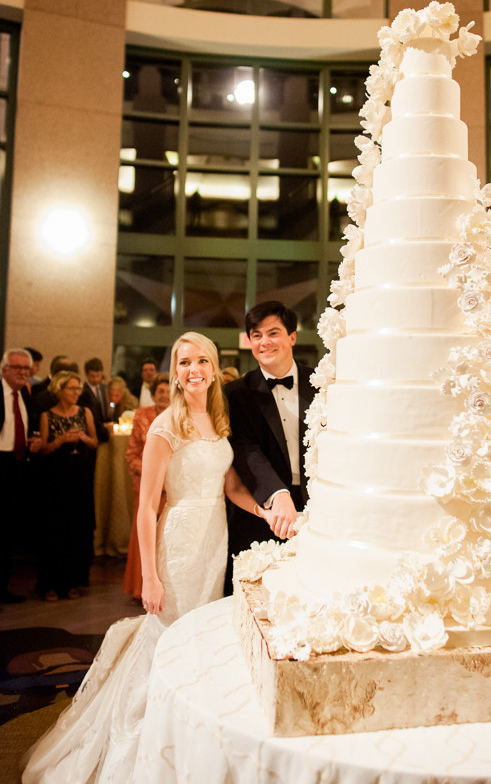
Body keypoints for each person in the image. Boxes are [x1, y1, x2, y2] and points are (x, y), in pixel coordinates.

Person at [22, 332, 278, 784]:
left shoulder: (218, 420)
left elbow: (232, 487)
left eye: (202, 361)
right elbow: (146, 507)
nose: (194, 370)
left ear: (214, 368)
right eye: (184, 363)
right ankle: (151, 731)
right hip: (178, 542)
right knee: (169, 635)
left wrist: (268, 511)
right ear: (175, 373)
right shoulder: (165, 426)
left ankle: (185, 726)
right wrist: (151, 578)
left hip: (214, 538)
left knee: (197, 636)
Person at [224, 300, 316, 593]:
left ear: (292, 337)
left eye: (273, 333)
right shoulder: (236, 394)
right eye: (256, 335)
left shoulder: (323, 384)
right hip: (262, 514)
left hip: (318, 511)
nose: (264, 342)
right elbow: (245, 447)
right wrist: (276, 495)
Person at [36, 371, 98, 601]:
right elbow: (43, 449)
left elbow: (94, 442)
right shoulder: (46, 416)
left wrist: (82, 438)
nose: (76, 393)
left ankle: (72, 581)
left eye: (77, 388)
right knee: (54, 531)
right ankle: (50, 584)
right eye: (72, 388)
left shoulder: (86, 412)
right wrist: (61, 440)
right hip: (55, 481)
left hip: (79, 479)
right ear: (60, 390)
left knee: (76, 530)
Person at [122, 372, 170, 599]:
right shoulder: (142, 415)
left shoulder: (180, 416)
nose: (165, 395)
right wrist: (150, 472)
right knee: (144, 533)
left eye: (169, 391)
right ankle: (141, 587)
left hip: (172, 487)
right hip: (147, 485)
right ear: (153, 394)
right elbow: (131, 454)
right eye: (160, 391)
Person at [0, 348, 41, 603]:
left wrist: (32, 441)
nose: (23, 373)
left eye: (26, 369)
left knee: (7, 530)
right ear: (4, 370)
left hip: (17, 465)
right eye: (18, 369)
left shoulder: (25, 396)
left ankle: (3, 588)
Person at [79, 356, 110, 443]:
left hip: (105, 430)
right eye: (92, 376)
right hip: (91, 431)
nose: (96, 379)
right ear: (86, 374)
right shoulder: (82, 392)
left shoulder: (104, 388)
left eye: (98, 376)